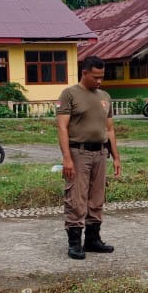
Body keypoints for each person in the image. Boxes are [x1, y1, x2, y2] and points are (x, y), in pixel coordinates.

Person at [57, 54, 122, 260]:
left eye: (101, 77)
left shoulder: (105, 97)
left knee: (97, 198)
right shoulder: (69, 94)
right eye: (95, 77)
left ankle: (93, 240)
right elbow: (62, 127)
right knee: (76, 198)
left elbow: (109, 129)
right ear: (84, 73)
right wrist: (66, 158)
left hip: (101, 153)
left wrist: (116, 157)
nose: (99, 81)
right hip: (79, 153)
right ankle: (74, 243)